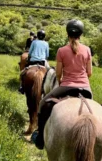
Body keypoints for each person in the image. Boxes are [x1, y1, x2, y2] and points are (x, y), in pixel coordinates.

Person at [31, 19, 92, 149]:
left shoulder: (61, 51)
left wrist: (61, 81)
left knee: (42, 103)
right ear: (81, 34)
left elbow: (58, 73)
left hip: (66, 86)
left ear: (67, 34)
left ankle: (40, 137)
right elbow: (89, 73)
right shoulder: (87, 50)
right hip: (86, 88)